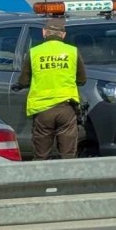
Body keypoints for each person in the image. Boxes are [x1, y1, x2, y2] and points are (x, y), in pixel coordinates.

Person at [14, 18, 87, 161]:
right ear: (63, 35)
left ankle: (42, 181)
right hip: (66, 108)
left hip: (42, 110)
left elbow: (23, 80)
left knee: (41, 155)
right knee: (68, 155)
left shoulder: (34, 52)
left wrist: (20, 85)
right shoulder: (72, 51)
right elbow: (82, 80)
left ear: (44, 33)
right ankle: (67, 180)